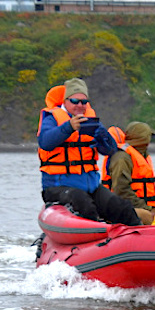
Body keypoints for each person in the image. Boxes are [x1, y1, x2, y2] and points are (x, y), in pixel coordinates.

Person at [37, 77, 141, 226]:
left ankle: (138, 238)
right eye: (75, 101)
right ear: (65, 101)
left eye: (84, 102)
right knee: (84, 204)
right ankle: (94, 238)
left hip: (91, 186)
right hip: (58, 187)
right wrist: (69, 127)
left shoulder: (91, 120)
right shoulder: (52, 118)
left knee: (122, 207)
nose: (80, 105)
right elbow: (45, 142)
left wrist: (101, 134)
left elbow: (110, 150)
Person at [102, 121, 155, 225]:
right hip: (124, 207)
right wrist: (146, 208)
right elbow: (121, 190)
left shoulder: (141, 155)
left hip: (143, 205)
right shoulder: (122, 158)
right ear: (143, 139)